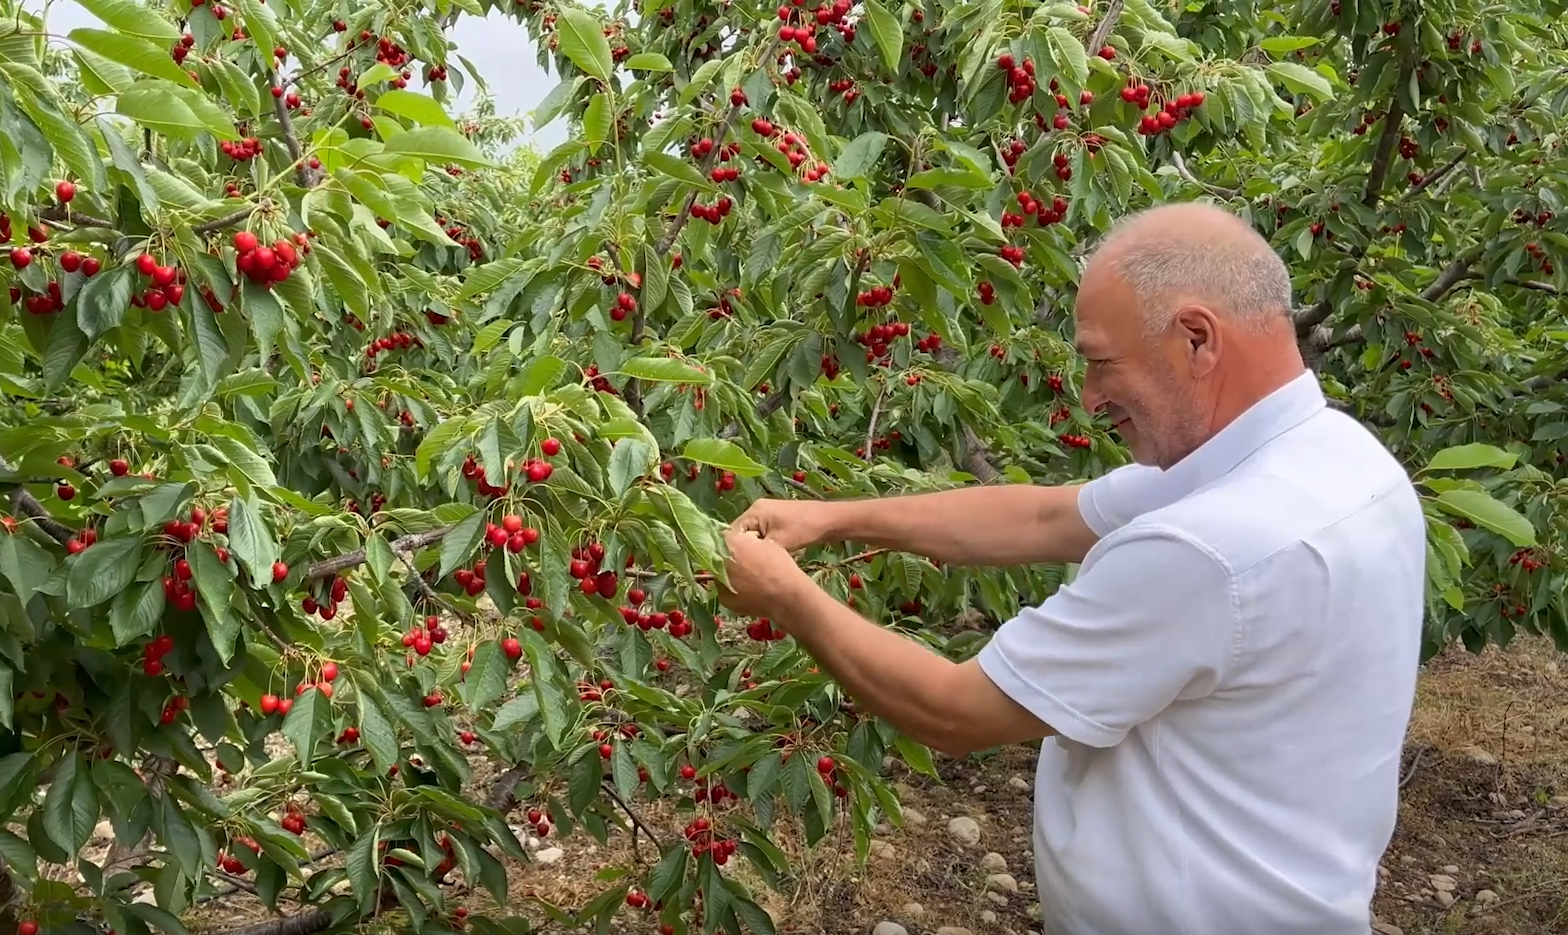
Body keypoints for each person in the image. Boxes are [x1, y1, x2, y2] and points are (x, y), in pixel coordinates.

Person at [715, 202, 1427, 935]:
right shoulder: (1337, 460)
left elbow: (954, 711)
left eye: (1100, 362)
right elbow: (1043, 517)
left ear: (1196, 339)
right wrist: (834, 517)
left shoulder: (1209, 549)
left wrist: (788, 595)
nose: (1088, 400)